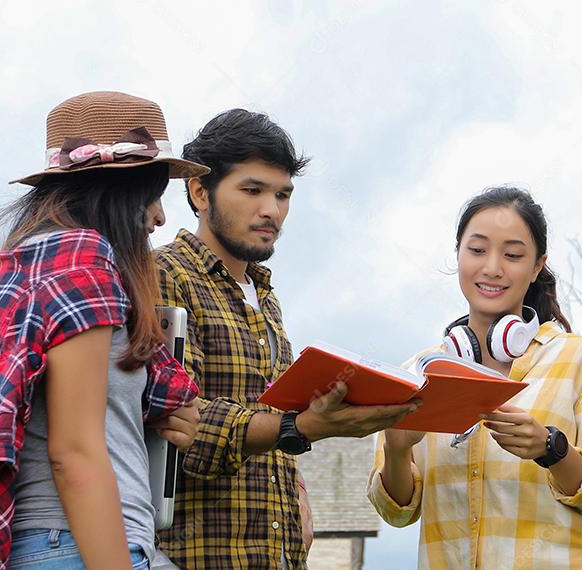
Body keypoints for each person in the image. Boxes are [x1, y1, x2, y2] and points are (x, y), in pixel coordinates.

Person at [0, 91, 202, 569]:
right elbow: (73, 453)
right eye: (153, 194)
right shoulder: (81, 262)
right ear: (122, 191)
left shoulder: (27, 266)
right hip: (77, 545)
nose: (160, 217)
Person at [155, 109, 419, 568]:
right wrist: (303, 428)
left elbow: (275, 412)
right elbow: (181, 423)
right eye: (252, 190)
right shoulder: (163, 275)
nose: (271, 210)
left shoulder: (266, 298)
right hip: (198, 556)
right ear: (199, 191)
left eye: (282, 194)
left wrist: (298, 488)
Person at [368, 186, 582, 568]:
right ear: (458, 254)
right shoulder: (417, 373)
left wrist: (551, 449)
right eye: (477, 250)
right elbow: (398, 513)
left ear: (537, 266)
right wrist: (396, 448)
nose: (492, 267)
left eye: (513, 255)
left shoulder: (580, 359)